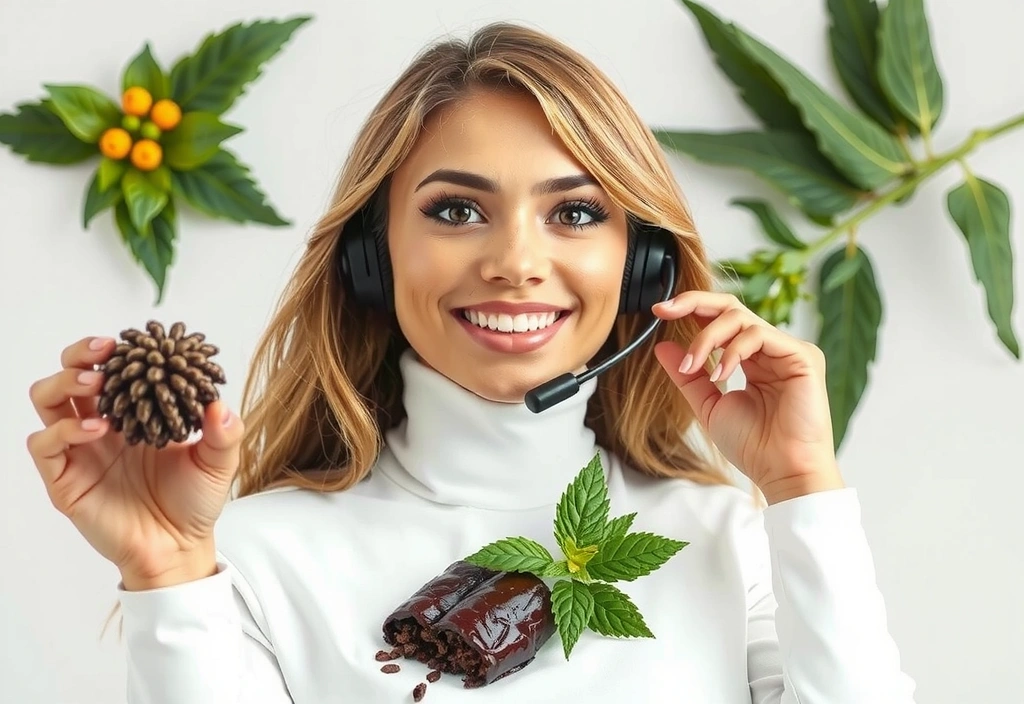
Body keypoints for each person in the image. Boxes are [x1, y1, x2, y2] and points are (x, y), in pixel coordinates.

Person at [25, 21, 917, 704]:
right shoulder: (250, 558)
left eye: (574, 213)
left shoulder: (731, 543)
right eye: (457, 211)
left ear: (641, 267)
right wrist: (167, 572)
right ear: (372, 258)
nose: (516, 262)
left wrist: (804, 485)